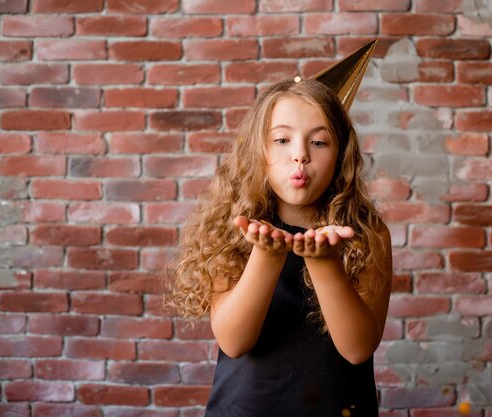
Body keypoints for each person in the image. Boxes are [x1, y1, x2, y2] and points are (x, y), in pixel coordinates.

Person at [166, 42, 393, 417]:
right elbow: (234, 341)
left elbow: (357, 348)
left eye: (319, 141)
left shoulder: (367, 233)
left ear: (340, 156)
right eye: (282, 140)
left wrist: (324, 263)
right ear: (259, 151)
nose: (300, 154)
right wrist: (267, 255)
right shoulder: (231, 226)